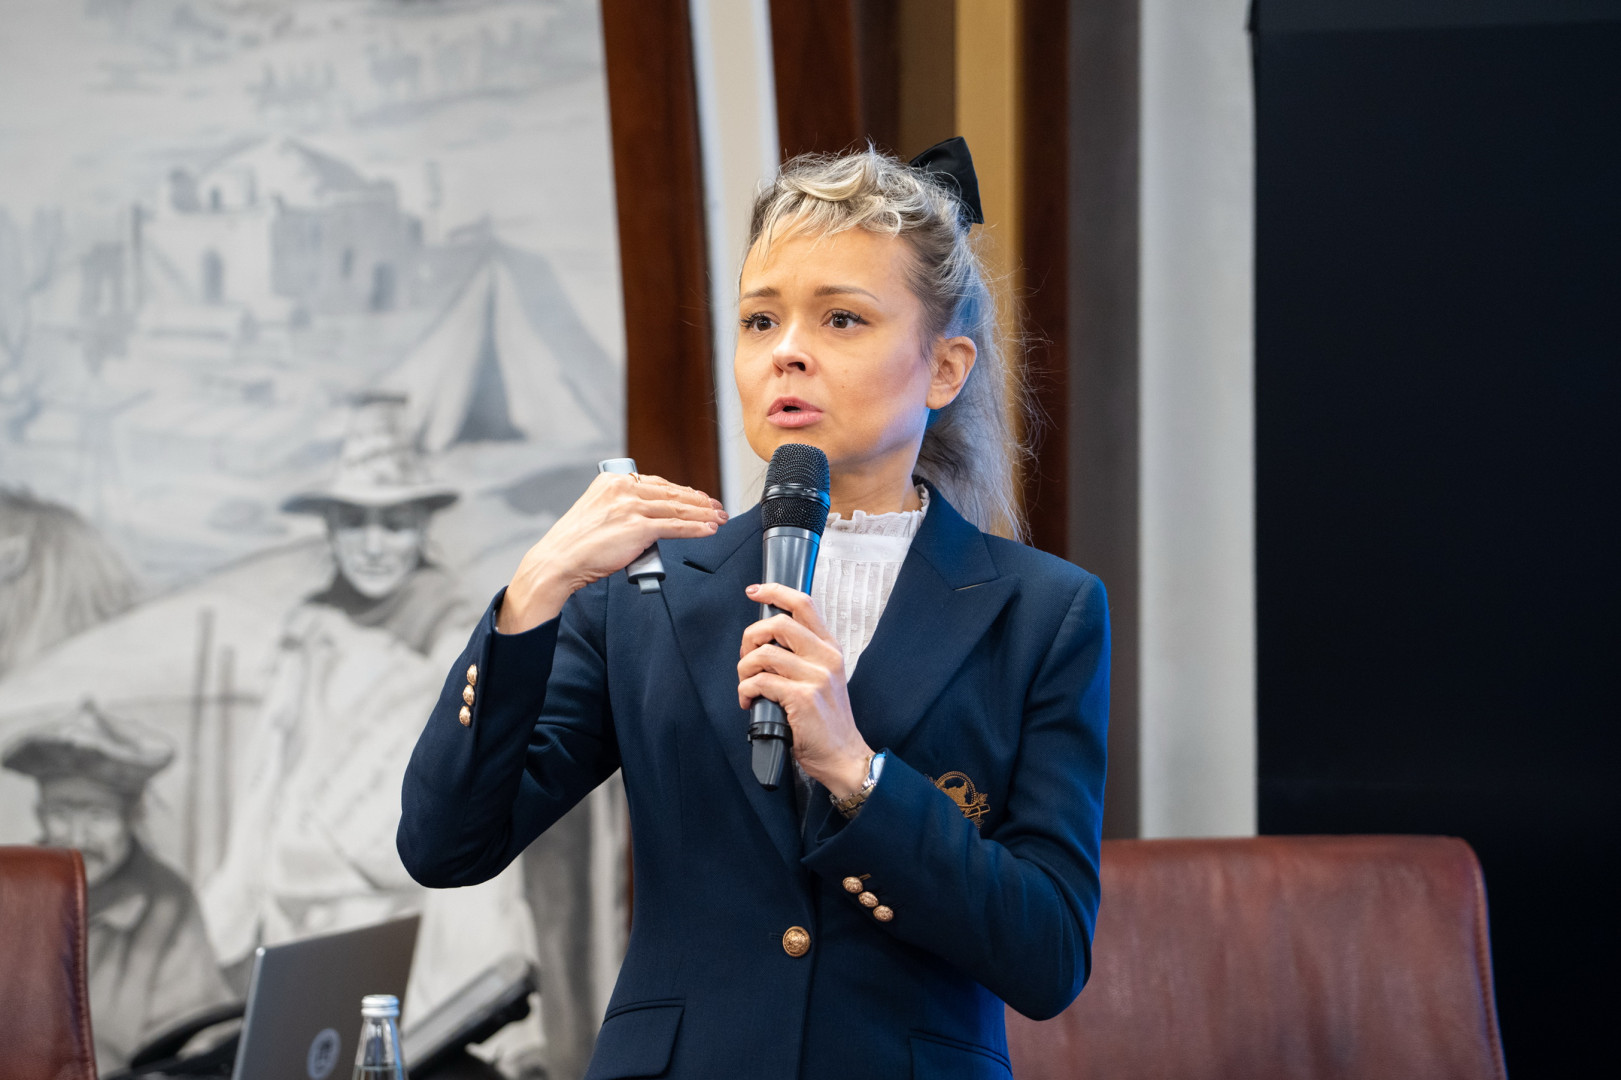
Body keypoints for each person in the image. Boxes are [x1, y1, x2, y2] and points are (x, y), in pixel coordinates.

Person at [398, 139, 1109, 1080]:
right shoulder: (645, 590)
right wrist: (529, 599)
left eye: (841, 318)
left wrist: (858, 775)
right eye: (759, 319)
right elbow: (446, 846)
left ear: (944, 369)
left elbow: (1048, 956)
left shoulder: (1044, 613)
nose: (787, 353)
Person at [200, 394, 545, 1068]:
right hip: (303, 913)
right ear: (330, 530)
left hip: (410, 912)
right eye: (354, 523)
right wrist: (243, 891)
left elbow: (464, 797)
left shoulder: (456, 637)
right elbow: (270, 771)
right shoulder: (309, 631)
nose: (374, 545)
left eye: (395, 524)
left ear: (422, 529)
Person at [2, 699, 234, 1073]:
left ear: (131, 817)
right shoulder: (12, 891)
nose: (77, 838)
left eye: (98, 815)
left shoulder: (166, 902)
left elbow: (198, 1035)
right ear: (40, 815)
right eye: (60, 814)